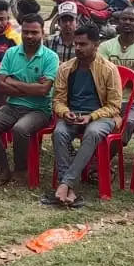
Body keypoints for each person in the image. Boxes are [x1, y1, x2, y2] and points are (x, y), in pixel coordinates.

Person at [49, 23, 125, 207]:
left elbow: (114, 106)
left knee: (92, 133)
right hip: (73, 115)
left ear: (96, 45)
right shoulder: (66, 68)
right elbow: (57, 100)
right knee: (59, 133)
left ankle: (65, 183)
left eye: (83, 44)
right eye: (76, 44)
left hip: (101, 117)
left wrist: (91, 117)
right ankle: (69, 188)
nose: (78, 48)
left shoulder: (108, 69)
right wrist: (65, 113)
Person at [0, 13, 58, 187]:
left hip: (39, 110)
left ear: (42, 33)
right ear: (21, 32)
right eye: (26, 32)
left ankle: (21, 170)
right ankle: (4, 168)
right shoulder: (11, 53)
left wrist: (13, 82)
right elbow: (1, 85)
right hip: (12, 106)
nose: (29, 36)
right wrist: (31, 87)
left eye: (34, 32)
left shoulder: (51, 57)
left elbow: (44, 91)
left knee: (20, 129)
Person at [98, 9, 134, 145]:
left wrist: (113, 74)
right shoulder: (105, 46)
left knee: (128, 123)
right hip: (107, 100)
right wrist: (130, 75)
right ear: (118, 22)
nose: (127, 22)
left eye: (132, 20)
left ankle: (100, 161)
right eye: (124, 19)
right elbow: (101, 77)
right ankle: (96, 157)